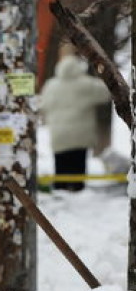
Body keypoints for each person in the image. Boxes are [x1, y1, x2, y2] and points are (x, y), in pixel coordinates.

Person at [38, 52, 111, 191]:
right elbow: (106, 94)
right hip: (81, 133)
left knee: (60, 163)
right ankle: (77, 187)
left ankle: (60, 187)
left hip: (59, 133)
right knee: (78, 163)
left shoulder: (51, 85)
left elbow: (43, 105)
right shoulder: (86, 84)